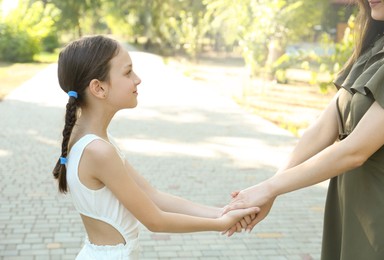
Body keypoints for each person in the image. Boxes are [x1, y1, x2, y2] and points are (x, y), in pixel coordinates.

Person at [52, 35, 259, 259]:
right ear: (99, 88)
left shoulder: (92, 138)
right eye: (127, 72)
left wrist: (220, 213)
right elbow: (155, 220)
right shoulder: (98, 151)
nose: (137, 79)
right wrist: (220, 224)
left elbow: (153, 196)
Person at [223, 1, 384, 259]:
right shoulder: (375, 46)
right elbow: (325, 126)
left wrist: (271, 188)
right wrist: (270, 188)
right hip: (350, 211)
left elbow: (355, 151)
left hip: (380, 220)